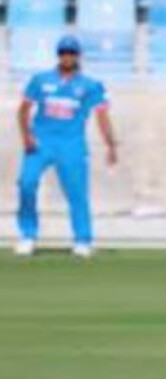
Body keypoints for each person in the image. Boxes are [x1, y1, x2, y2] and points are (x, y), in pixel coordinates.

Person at [14, 35, 118, 258]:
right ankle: (27, 235)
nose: (67, 57)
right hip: (41, 141)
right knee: (26, 183)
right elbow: (23, 109)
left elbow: (102, 116)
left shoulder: (90, 85)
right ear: (58, 55)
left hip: (71, 143)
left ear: (78, 56)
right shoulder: (41, 80)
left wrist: (111, 145)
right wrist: (26, 136)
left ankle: (82, 239)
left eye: (71, 53)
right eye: (63, 53)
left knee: (77, 192)